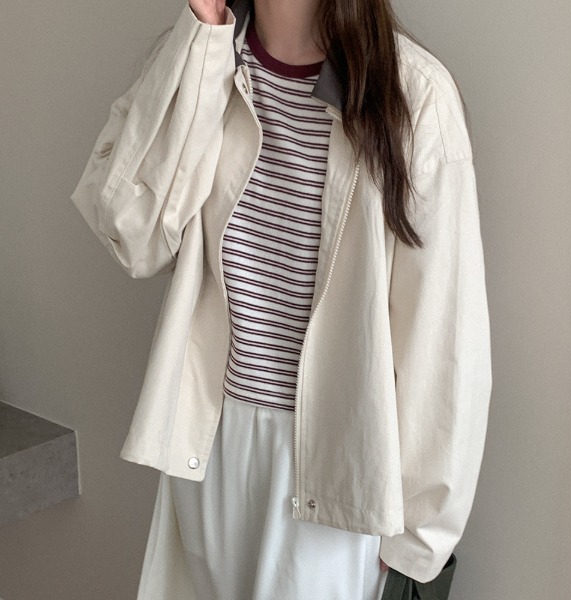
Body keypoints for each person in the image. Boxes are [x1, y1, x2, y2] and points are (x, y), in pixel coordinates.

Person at [71, 0, 492, 597]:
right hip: (205, 442)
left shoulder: (414, 96)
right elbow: (132, 235)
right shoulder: (204, 56)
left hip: (333, 472)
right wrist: (201, 38)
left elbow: (444, 345)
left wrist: (415, 544)